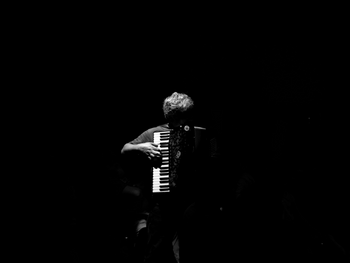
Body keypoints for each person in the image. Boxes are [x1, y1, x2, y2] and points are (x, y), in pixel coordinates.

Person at [120, 92, 211, 263]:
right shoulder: (155, 133)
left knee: (190, 250)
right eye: (184, 116)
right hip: (162, 201)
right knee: (156, 249)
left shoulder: (196, 133)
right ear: (174, 115)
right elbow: (125, 149)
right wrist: (143, 147)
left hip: (189, 202)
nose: (189, 119)